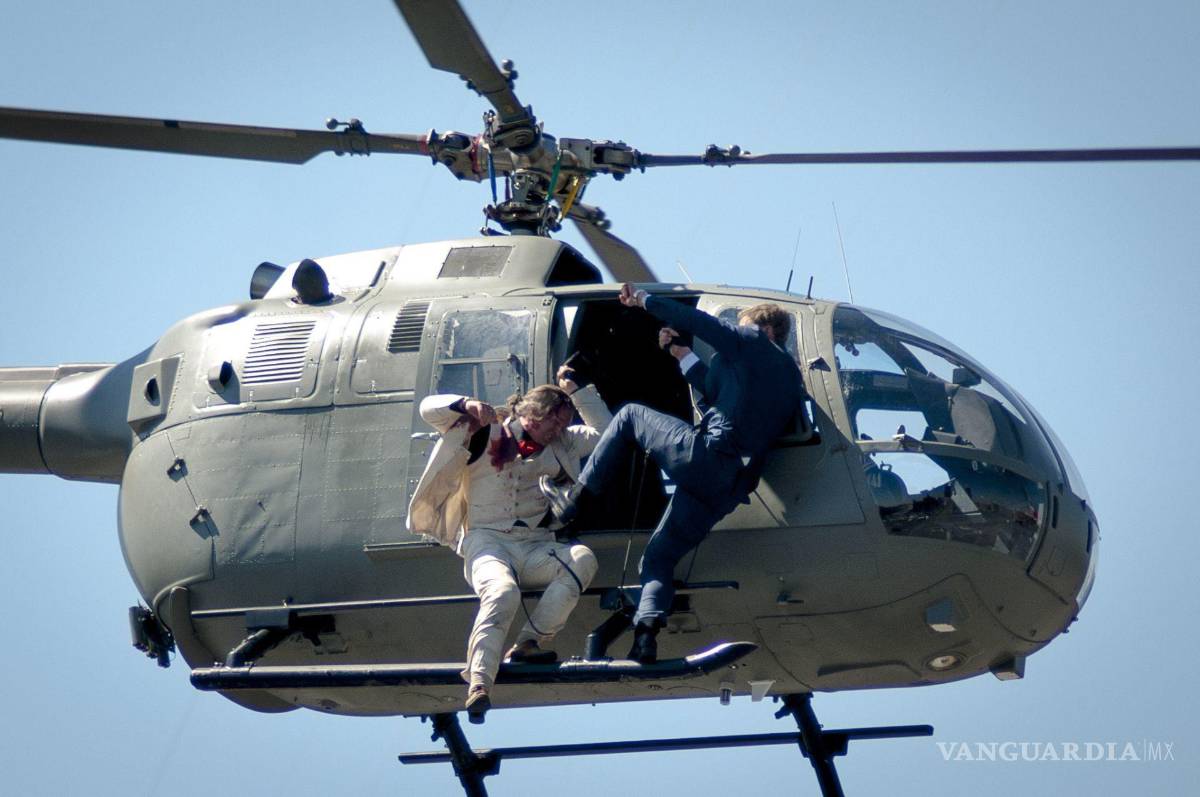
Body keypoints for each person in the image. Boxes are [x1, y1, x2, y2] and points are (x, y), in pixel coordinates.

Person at [541, 284, 805, 663]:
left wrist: (644, 300)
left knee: (630, 415)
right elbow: (715, 391)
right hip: (727, 487)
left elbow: (700, 322)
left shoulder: (752, 342)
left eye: (744, 329)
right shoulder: (788, 378)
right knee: (659, 559)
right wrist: (681, 354)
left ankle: (573, 503)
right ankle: (645, 637)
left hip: (708, 457)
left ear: (764, 330)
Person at [407, 368, 611, 723]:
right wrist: (465, 404)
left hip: (535, 544)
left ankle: (529, 643)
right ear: (533, 412)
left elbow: (607, 431)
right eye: (554, 422)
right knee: (502, 593)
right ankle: (479, 681)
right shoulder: (486, 430)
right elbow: (428, 409)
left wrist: (578, 392)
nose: (558, 430)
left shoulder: (564, 443)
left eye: (564, 424)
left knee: (582, 560)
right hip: (488, 541)